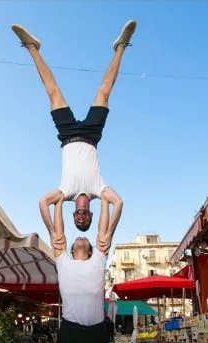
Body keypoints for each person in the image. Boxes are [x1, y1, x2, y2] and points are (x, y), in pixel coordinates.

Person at [13, 20, 135, 231]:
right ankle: (121, 47)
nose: (81, 215)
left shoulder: (64, 193)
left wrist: (53, 232)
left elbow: (42, 203)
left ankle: (32, 47)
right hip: (91, 135)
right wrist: (108, 232)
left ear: (73, 213)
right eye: (85, 217)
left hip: (67, 134)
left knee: (53, 92)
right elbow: (119, 203)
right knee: (104, 92)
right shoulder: (100, 190)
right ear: (90, 213)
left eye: (78, 217)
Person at [39, 190, 123, 343]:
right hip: (70, 332)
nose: (81, 237)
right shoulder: (62, 260)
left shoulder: (99, 259)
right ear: (71, 246)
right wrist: (59, 201)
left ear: (90, 248)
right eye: (78, 238)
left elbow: (105, 227)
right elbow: (57, 231)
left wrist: (102, 197)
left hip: (97, 333)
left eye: (85, 238)